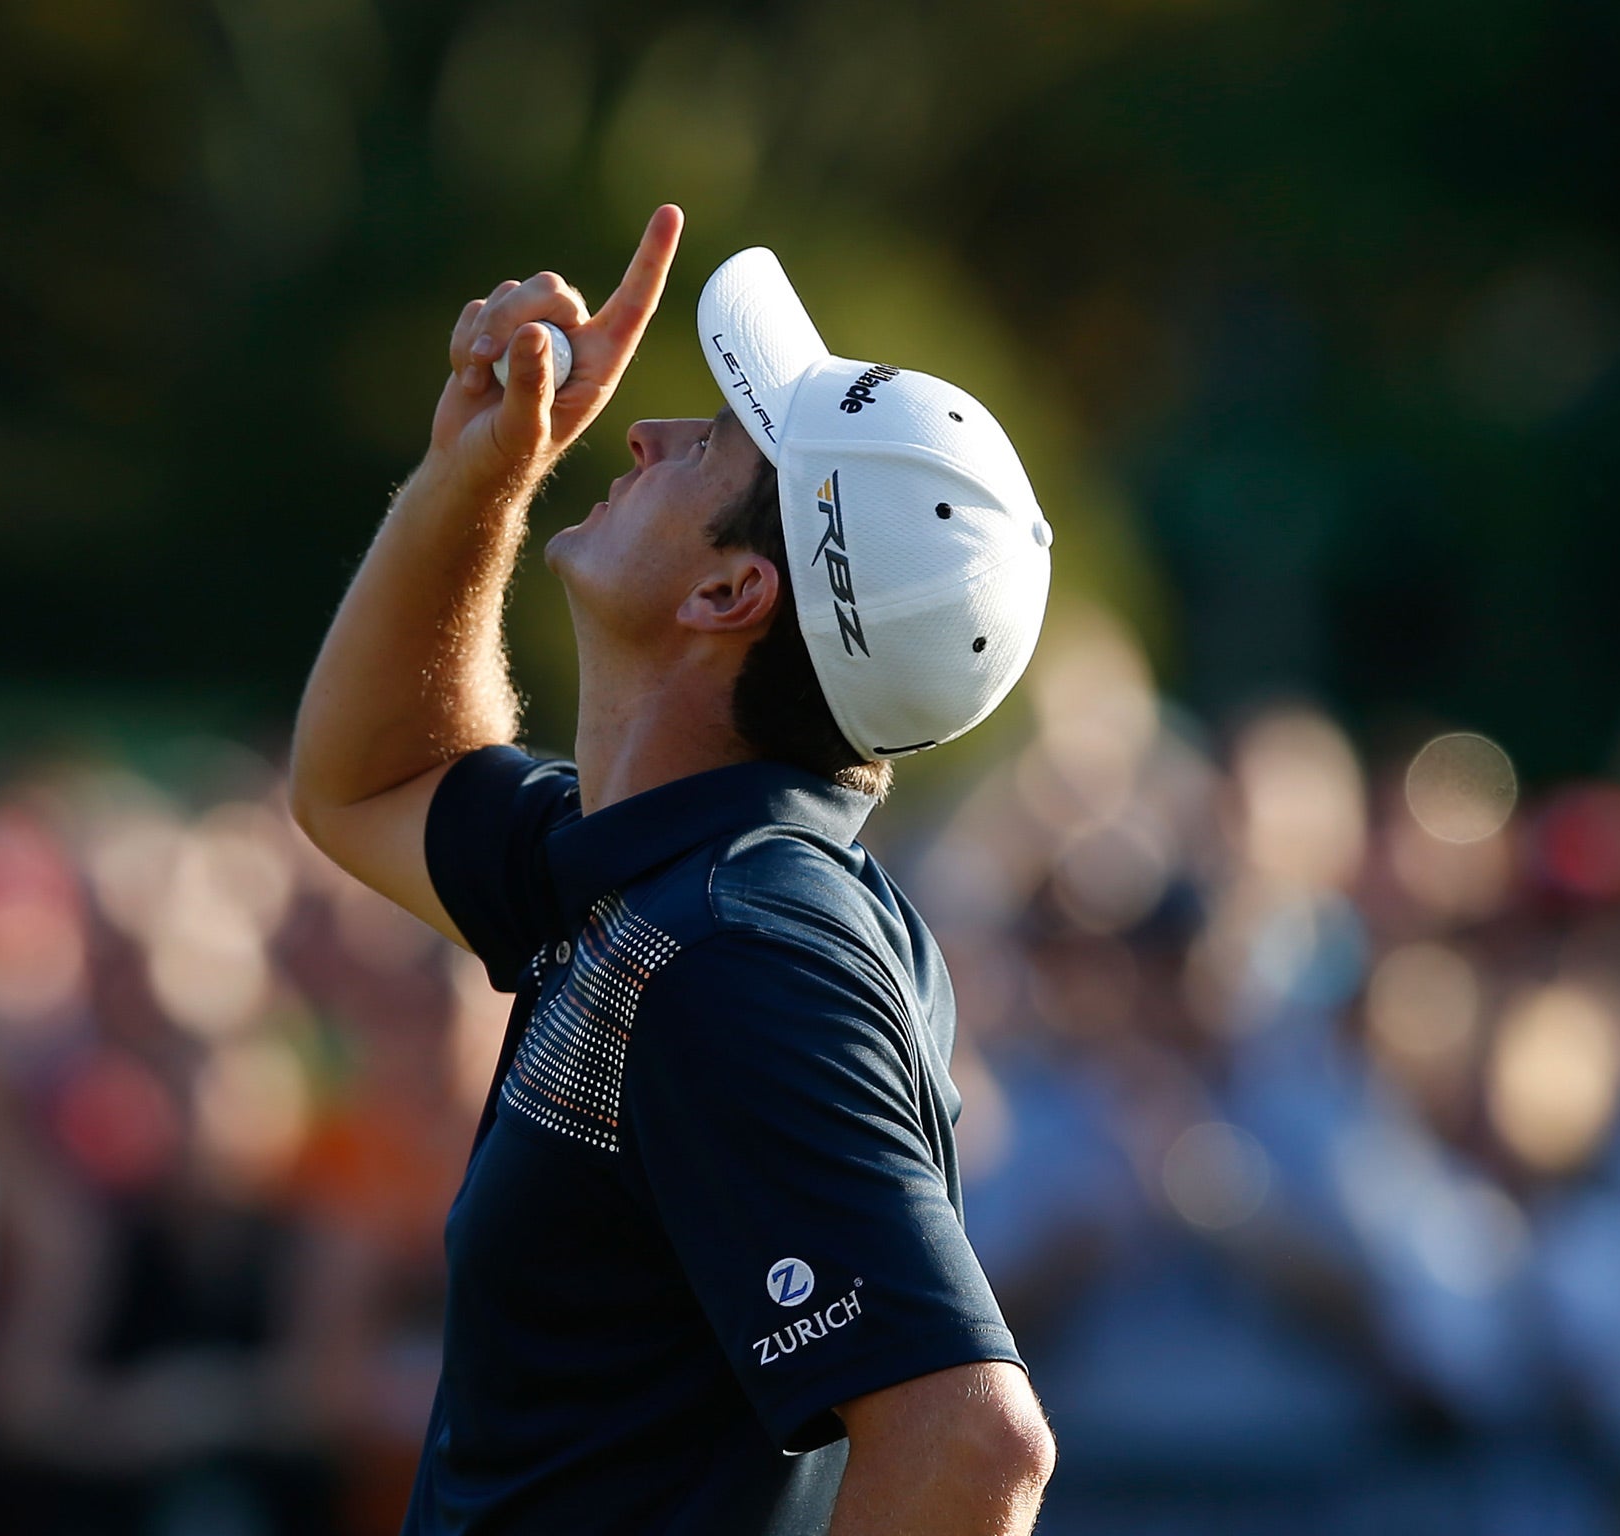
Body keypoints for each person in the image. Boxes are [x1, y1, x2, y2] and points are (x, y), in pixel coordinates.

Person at [289, 204, 1058, 1535]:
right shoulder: (672, 879)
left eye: (705, 443)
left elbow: (971, 1449)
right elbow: (367, 778)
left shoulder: (734, 952)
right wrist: (478, 478)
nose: (645, 434)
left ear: (729, 595)